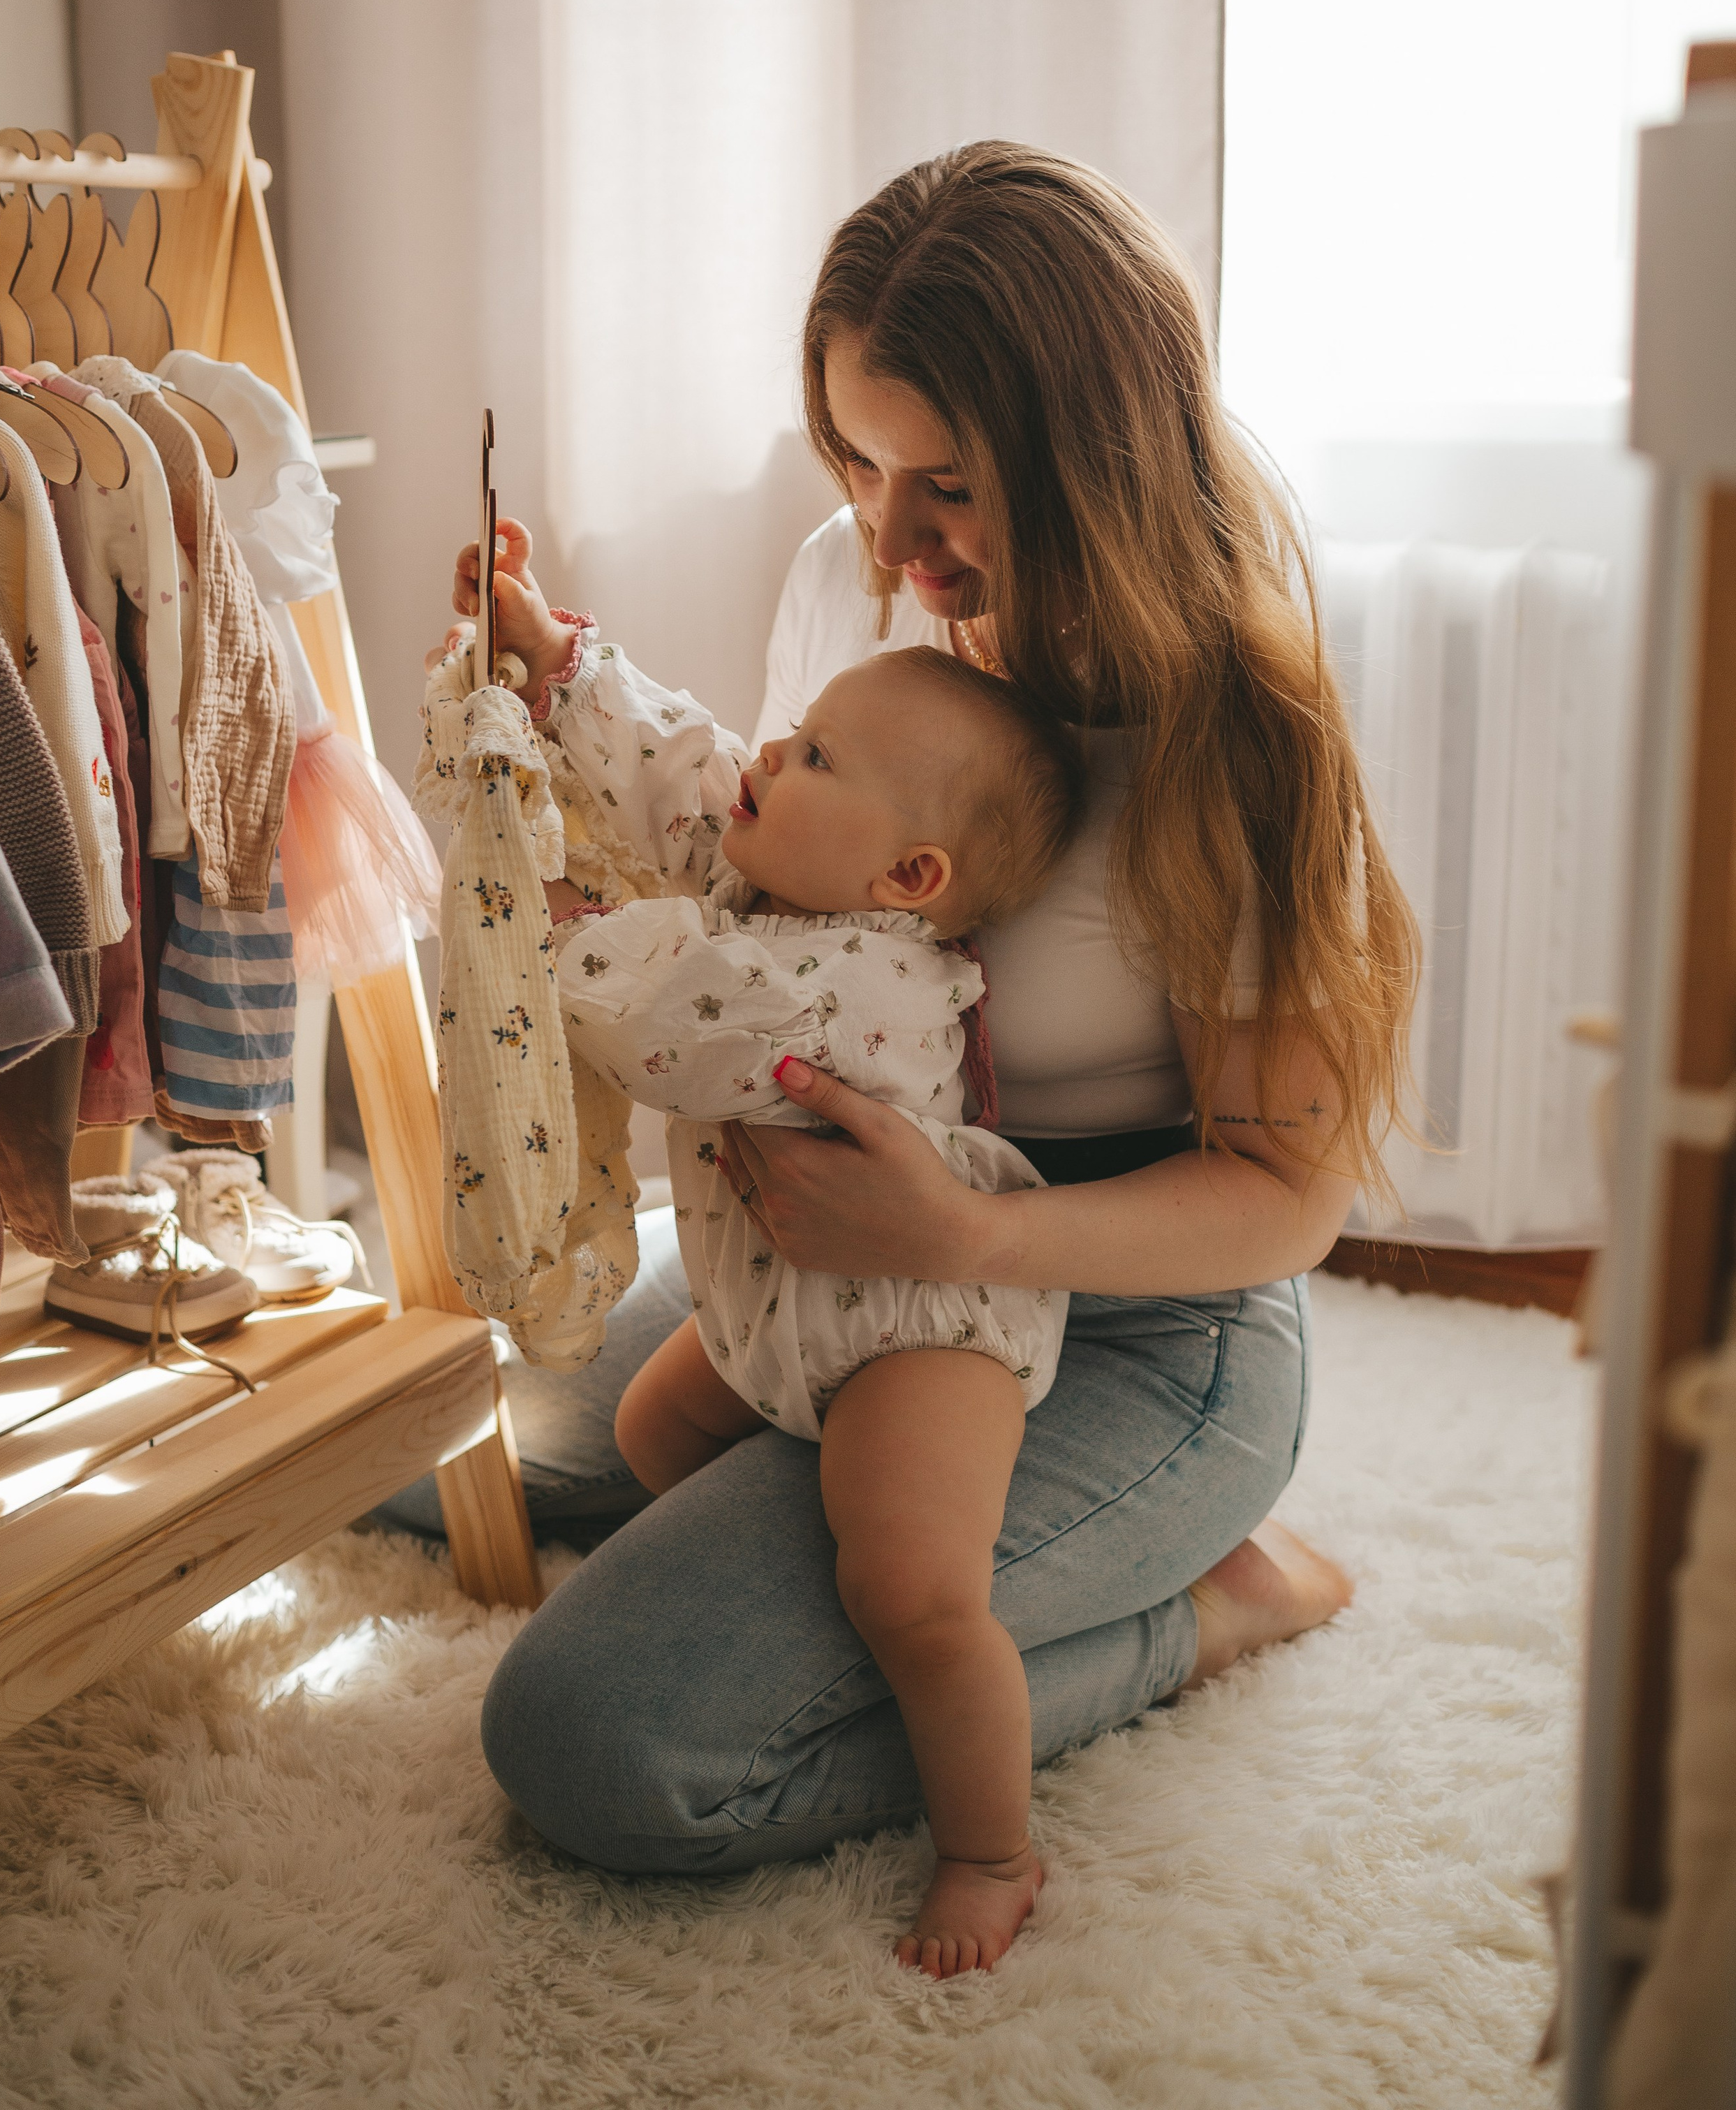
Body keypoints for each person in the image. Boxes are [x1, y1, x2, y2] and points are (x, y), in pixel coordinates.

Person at [473, 141, 1416, 1954]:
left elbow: (1287, 1202)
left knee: (591, 1738)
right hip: (832, 1256)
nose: (891, 548)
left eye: (952, 488)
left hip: (1137, 1317)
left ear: (1096, 464)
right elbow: (768, 867)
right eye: (859, 461)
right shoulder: (853, 574)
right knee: (485, 1442)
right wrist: (556, 690)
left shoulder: (1231, 726)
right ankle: (977, 1563)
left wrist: (966, 1237)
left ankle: (1192, 1611)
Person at [488, 605, 1087, 1972]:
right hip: (774, 1318)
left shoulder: (868, 984)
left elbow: (679, 1036)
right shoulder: (766, 884)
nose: (770, 750)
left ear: (906, 873)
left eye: (814, 755)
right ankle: (737, 1569)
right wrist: (559, 659)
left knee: (912, 1592)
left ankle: (992, 1845)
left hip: (909, 1340)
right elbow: (681, 769)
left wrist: (555, 935)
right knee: (645, 1429)